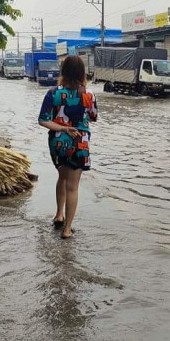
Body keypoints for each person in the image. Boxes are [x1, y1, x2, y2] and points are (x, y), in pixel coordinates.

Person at [38, 56, 98, 239]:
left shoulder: (52, 93)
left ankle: (59, 215)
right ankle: (67, 229)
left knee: (62, 178)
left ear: (63, 71)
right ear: (82, 73)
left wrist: (63, 127)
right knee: (73, 186)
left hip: (57, 143)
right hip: (79, 143)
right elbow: (94, 117)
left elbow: (43, 120)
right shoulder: (88, 95)